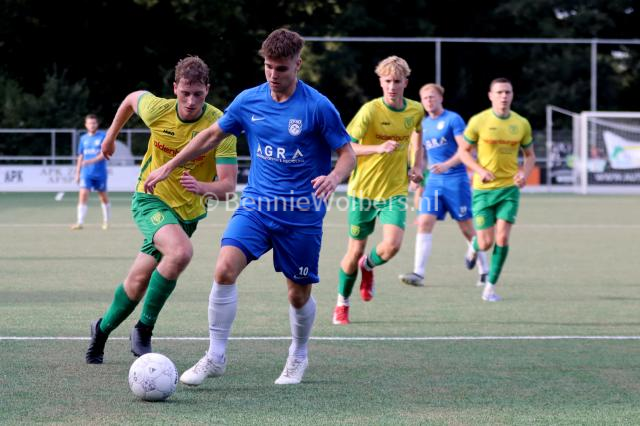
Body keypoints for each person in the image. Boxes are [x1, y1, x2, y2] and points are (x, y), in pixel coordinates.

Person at [144, 29, 355, 385]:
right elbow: (210, 136)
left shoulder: (318, 107)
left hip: (301, 214)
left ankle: (298, 354)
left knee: (298, 294)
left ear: (298, 65)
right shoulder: (248, 101)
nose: (273, 74)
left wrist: (334, 177)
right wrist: (170, 165)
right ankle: (215, 356)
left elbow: (347, 153)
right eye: (268, 66)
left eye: (281, 68)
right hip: (256, 206)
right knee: (224, 268)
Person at [85, 56, 238, 364]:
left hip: (187, 215)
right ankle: (143, 330)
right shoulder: (159, 110)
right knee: (180, 252)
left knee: (138, 282)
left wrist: (202, 187)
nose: (191, 101)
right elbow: (131, 99)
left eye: (198, 94)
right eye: (185, 93)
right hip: (150, 199)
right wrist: (110, 137)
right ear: (175, 88)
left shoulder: (221, 127)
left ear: (208, 90)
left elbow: (228, 187)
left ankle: (100, 330)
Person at [332, 56, 424, 325]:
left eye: (397, 81)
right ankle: (342, 303)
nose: (392, 86)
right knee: (354, 251)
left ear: (405, 83)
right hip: (362, 192)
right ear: (380, 82)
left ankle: (368, 266)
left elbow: (418, 136)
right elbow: (346, 147)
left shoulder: (415, 110)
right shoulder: (370, 111)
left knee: (392, 245)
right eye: (387, 81)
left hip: (394, 191)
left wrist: (417, 166)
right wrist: (378, 148)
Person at [399, 83, 489, 288]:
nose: (429, 101)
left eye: (432, 96)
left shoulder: (453, 119)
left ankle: (484, 270)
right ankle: (418, 273)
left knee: (466, 228)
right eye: (425, 98)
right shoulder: (422, 125)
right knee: (424, 222)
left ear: (441, 98)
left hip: (456, 181)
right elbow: (420, 155)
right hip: (433, 182)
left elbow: (465, 150)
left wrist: (447, 165)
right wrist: (417, 177)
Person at [457, 77, 536, 302]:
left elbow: (530, 156)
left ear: (512, 95)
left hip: (509, 190)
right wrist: (479, 170)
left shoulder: (521, 123)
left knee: (502, 238)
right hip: (483, 190)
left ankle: (490, 288)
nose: (504, 96)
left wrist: (524, 174)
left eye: (507, 92)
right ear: (490, 96)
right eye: (499, 92)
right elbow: (463, 152)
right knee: (485, 242)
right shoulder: (478, 121)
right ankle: (474, 247)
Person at [71, 114, 110, 230]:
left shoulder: (103, 137)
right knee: (83, 194)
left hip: (100, 173)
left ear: (97, 124)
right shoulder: (83, 138)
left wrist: (89, 161)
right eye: (89, 123)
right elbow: (80, 156)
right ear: (86, 125)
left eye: (94, 123)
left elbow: (104, 154)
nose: (92, 125)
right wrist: (77, 173)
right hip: (86, 173)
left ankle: (106, 221)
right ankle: (80, 222)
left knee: (103, 197)